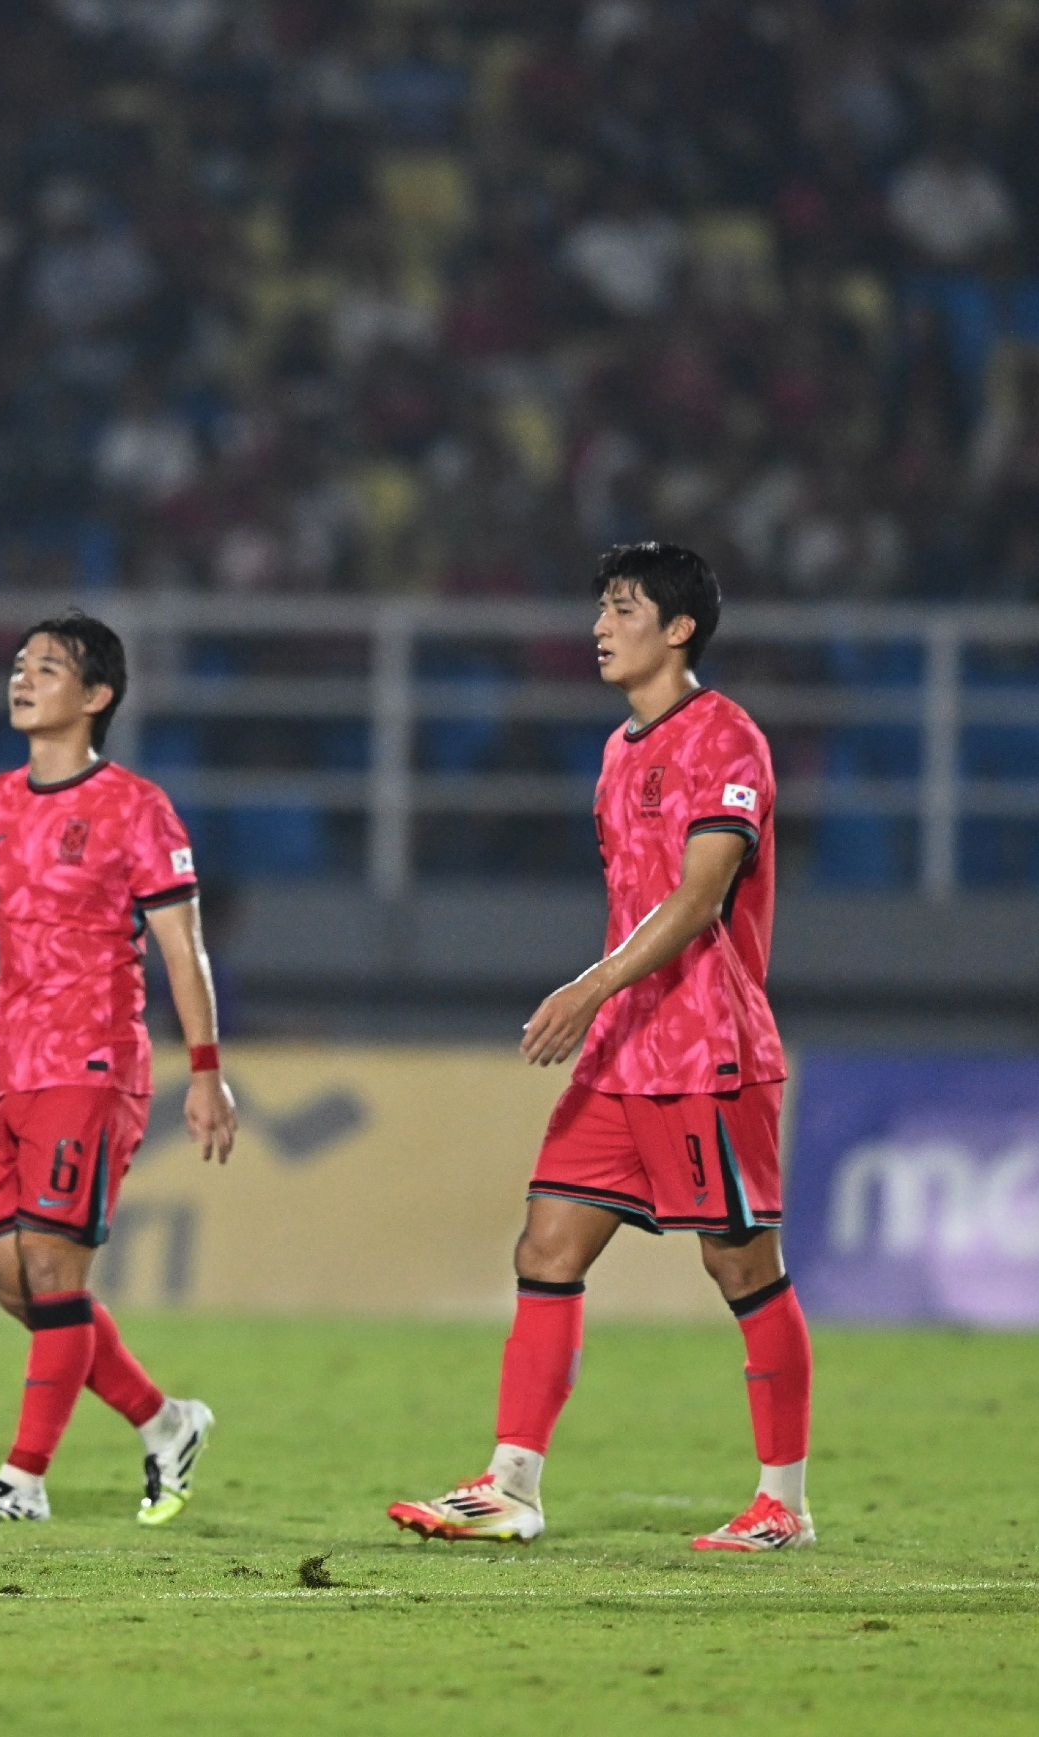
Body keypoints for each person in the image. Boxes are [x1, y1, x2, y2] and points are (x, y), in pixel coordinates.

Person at [388, 542, 813, 1552]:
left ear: (676, 628)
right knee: (545, 1245)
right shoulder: (622, 749)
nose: (598, 625)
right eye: (599, 607)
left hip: (707, 1047)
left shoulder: (725, 740)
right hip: (625, 1052)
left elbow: (699, 895)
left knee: (740, 1266)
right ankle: (510, 1483)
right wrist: (606, 1004)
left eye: (621, 608)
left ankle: (782, 1503)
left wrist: (588, 985)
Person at [0, 609, 238, 1524]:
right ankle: (167, 1421)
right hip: (7, 1068)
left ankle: (24, 1478)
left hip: (93, 1062)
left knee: (51, 1267)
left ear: (97, 695)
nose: (22, 677)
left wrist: (206, 1069)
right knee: (15, 1283)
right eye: (18, 664)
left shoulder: (136, 807)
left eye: (47, 666)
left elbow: (182, 949)